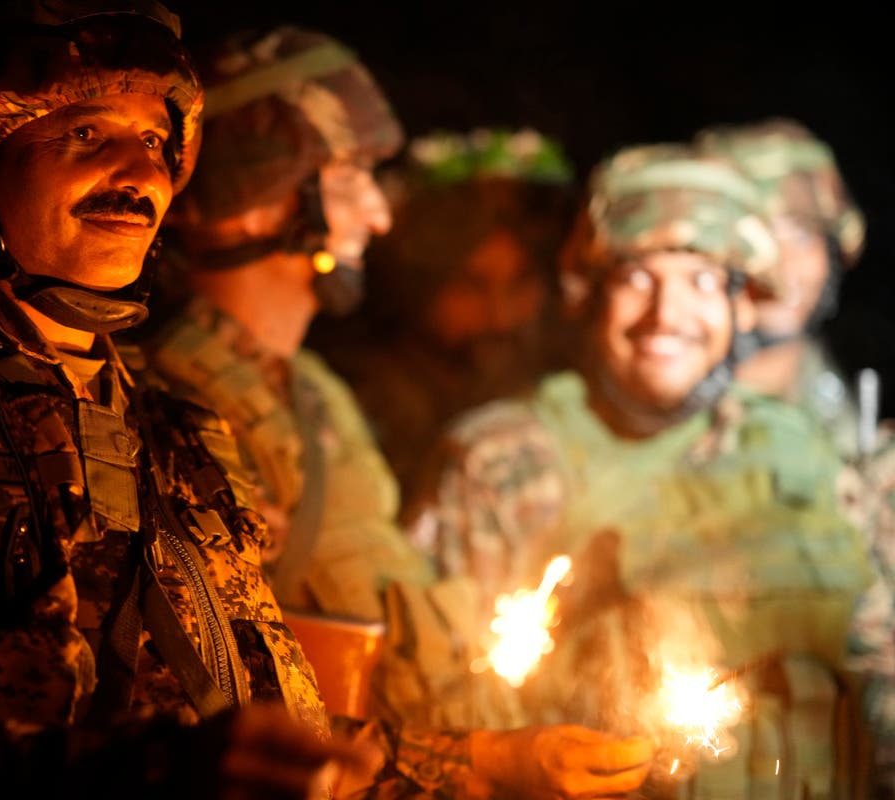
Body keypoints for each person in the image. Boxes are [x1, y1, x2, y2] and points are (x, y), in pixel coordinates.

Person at [0, 4, 653, 798]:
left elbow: (279, 730)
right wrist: (158, 776)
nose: (141, 170)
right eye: (85, 134)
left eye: (154, 139)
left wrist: (487, 762)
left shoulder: (174, 429)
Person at [139, 23, 656, 798]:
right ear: (253, 201)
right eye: (350, 176)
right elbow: (222, 723)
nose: (378, 216)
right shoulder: (179, 403)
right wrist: (484, 760)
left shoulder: (313, 395)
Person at [403, 141, 895, 798]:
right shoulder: (501, 462)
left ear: (742, 303)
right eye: (637, 278)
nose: (667, 316)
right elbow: (439, 711)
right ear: (589, 292)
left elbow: (877, 666)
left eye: (700, 282)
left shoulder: (802, 452)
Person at [304, 125, 577, 501]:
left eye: (521, 282)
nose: (501, 315)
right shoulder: (357, 407)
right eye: (471, 286)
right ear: (423, 287)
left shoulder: (564, 397)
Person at [693, 117, 872, 461]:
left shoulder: (816, 377)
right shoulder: (670, 383)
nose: (786, 268)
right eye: (761, 240)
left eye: (803, 237)